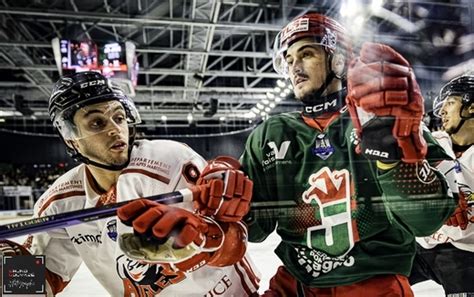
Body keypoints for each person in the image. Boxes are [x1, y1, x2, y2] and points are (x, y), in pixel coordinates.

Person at [240, 13, 456, 296]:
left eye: (306, 54)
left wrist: (395, 157)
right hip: (294, 285)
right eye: (289, 60)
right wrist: (228, 206)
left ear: (338, 59)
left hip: (372, 282)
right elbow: (255, 231)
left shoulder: (383, 116)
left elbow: (427, 220)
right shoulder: (271, 134)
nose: (295, 67)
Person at [0, 71, 260, 296]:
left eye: (119, 117)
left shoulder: (170, 159)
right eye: (96, 122)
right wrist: (10, 274)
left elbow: (234, 240)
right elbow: (45, 279)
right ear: (71, 139)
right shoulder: (59, 202)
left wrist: (205, 236)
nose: (115, 129)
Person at [410, 74, 474, 296]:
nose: (442, 111)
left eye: (450, 102)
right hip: (420, 247)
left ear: (472, 107)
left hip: (466, 253)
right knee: (372, 278)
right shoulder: (431, 142)